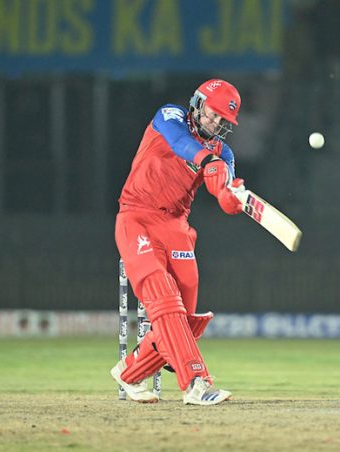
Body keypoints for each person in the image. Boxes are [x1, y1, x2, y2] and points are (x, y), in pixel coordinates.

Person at [110, 79, 245, 405]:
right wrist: (206, 161)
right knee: (163, 296)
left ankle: (128, 372)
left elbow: (222, 196)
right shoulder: (170, 116)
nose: (215, 123)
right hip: (136, 217)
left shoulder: (222, 152)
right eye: (212, 114)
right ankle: (196, 383)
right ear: (197, 104)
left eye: (222, 121)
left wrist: (231, 195)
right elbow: (180, 143)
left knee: (184, 320)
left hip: (175, 227)